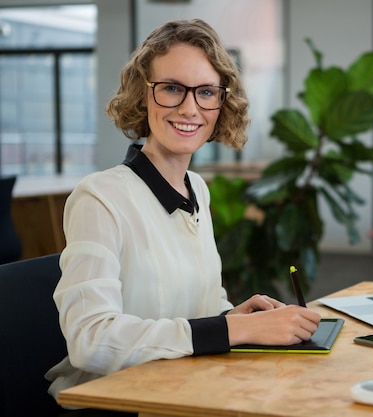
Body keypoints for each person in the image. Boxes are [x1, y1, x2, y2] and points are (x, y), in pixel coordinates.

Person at [45, 18, 321, 411]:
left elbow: (199, 310)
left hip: (183, 385)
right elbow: (92, 341)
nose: (190, 108)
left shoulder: (198, 189)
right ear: (144, 94)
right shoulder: (100, 197)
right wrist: (230, 329)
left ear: (221, 103)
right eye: (172, 88)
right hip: (115, 401)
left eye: (206, 92)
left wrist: (234, 315)